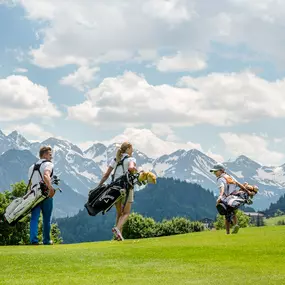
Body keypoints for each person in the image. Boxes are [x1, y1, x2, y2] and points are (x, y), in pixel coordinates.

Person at [98, 141, 137, 241]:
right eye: (131, 148)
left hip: (115, 189)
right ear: (128, 149)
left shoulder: (115, 159)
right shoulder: (131, 159)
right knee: (126, 213)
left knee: (119, 214)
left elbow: (106, 175)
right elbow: (131, 168)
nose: (132, 150)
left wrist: (98, 186)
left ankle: (118, 237)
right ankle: (117, 229)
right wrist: (135, 170)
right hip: (127, 188)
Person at [28, 146, 55, 245]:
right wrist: (50, 188)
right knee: (46, 218)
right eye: (50, 154)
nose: (51, 157)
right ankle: (46, 240)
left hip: (34, 195)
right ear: (44, 154)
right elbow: (46, 175)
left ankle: (33, 240)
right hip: (45, 194)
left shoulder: (31, 167)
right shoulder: (48, 164)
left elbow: (31, 183)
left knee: (34, 218)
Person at [210, 163, 243, 235]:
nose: (214, 173)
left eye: (216, 171)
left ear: (221, 171)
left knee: (226, 215)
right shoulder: (229, 177)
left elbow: (222, 188)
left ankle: (227, 233)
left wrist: (220, 197)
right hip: (234, 198)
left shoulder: (220, 179)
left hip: (226, 199)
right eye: (214, 172)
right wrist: (247, 191)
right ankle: (236, 225)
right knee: (233, 213)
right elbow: (238, 183)